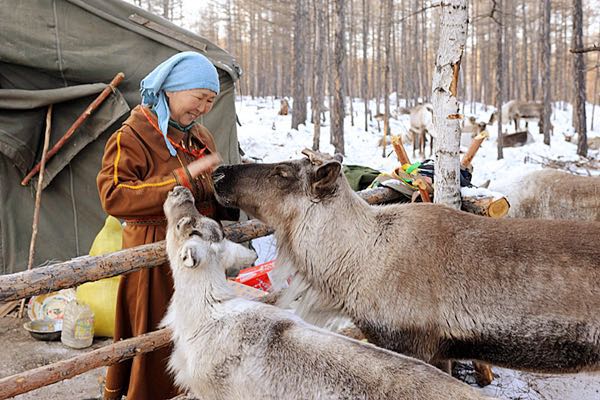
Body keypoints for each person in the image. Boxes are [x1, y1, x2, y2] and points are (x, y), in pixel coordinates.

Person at [97, 51, 237, 399]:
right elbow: (114, 195)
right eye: (199, 98)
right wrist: (182, 177)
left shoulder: (199, 136)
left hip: (200, 257)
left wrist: (232, 190)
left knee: (198, 335)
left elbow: (209, 190)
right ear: (173, 89)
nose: (204, 108)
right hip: (154, 253)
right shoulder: (132, 135)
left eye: (210, 101)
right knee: (156, 334)